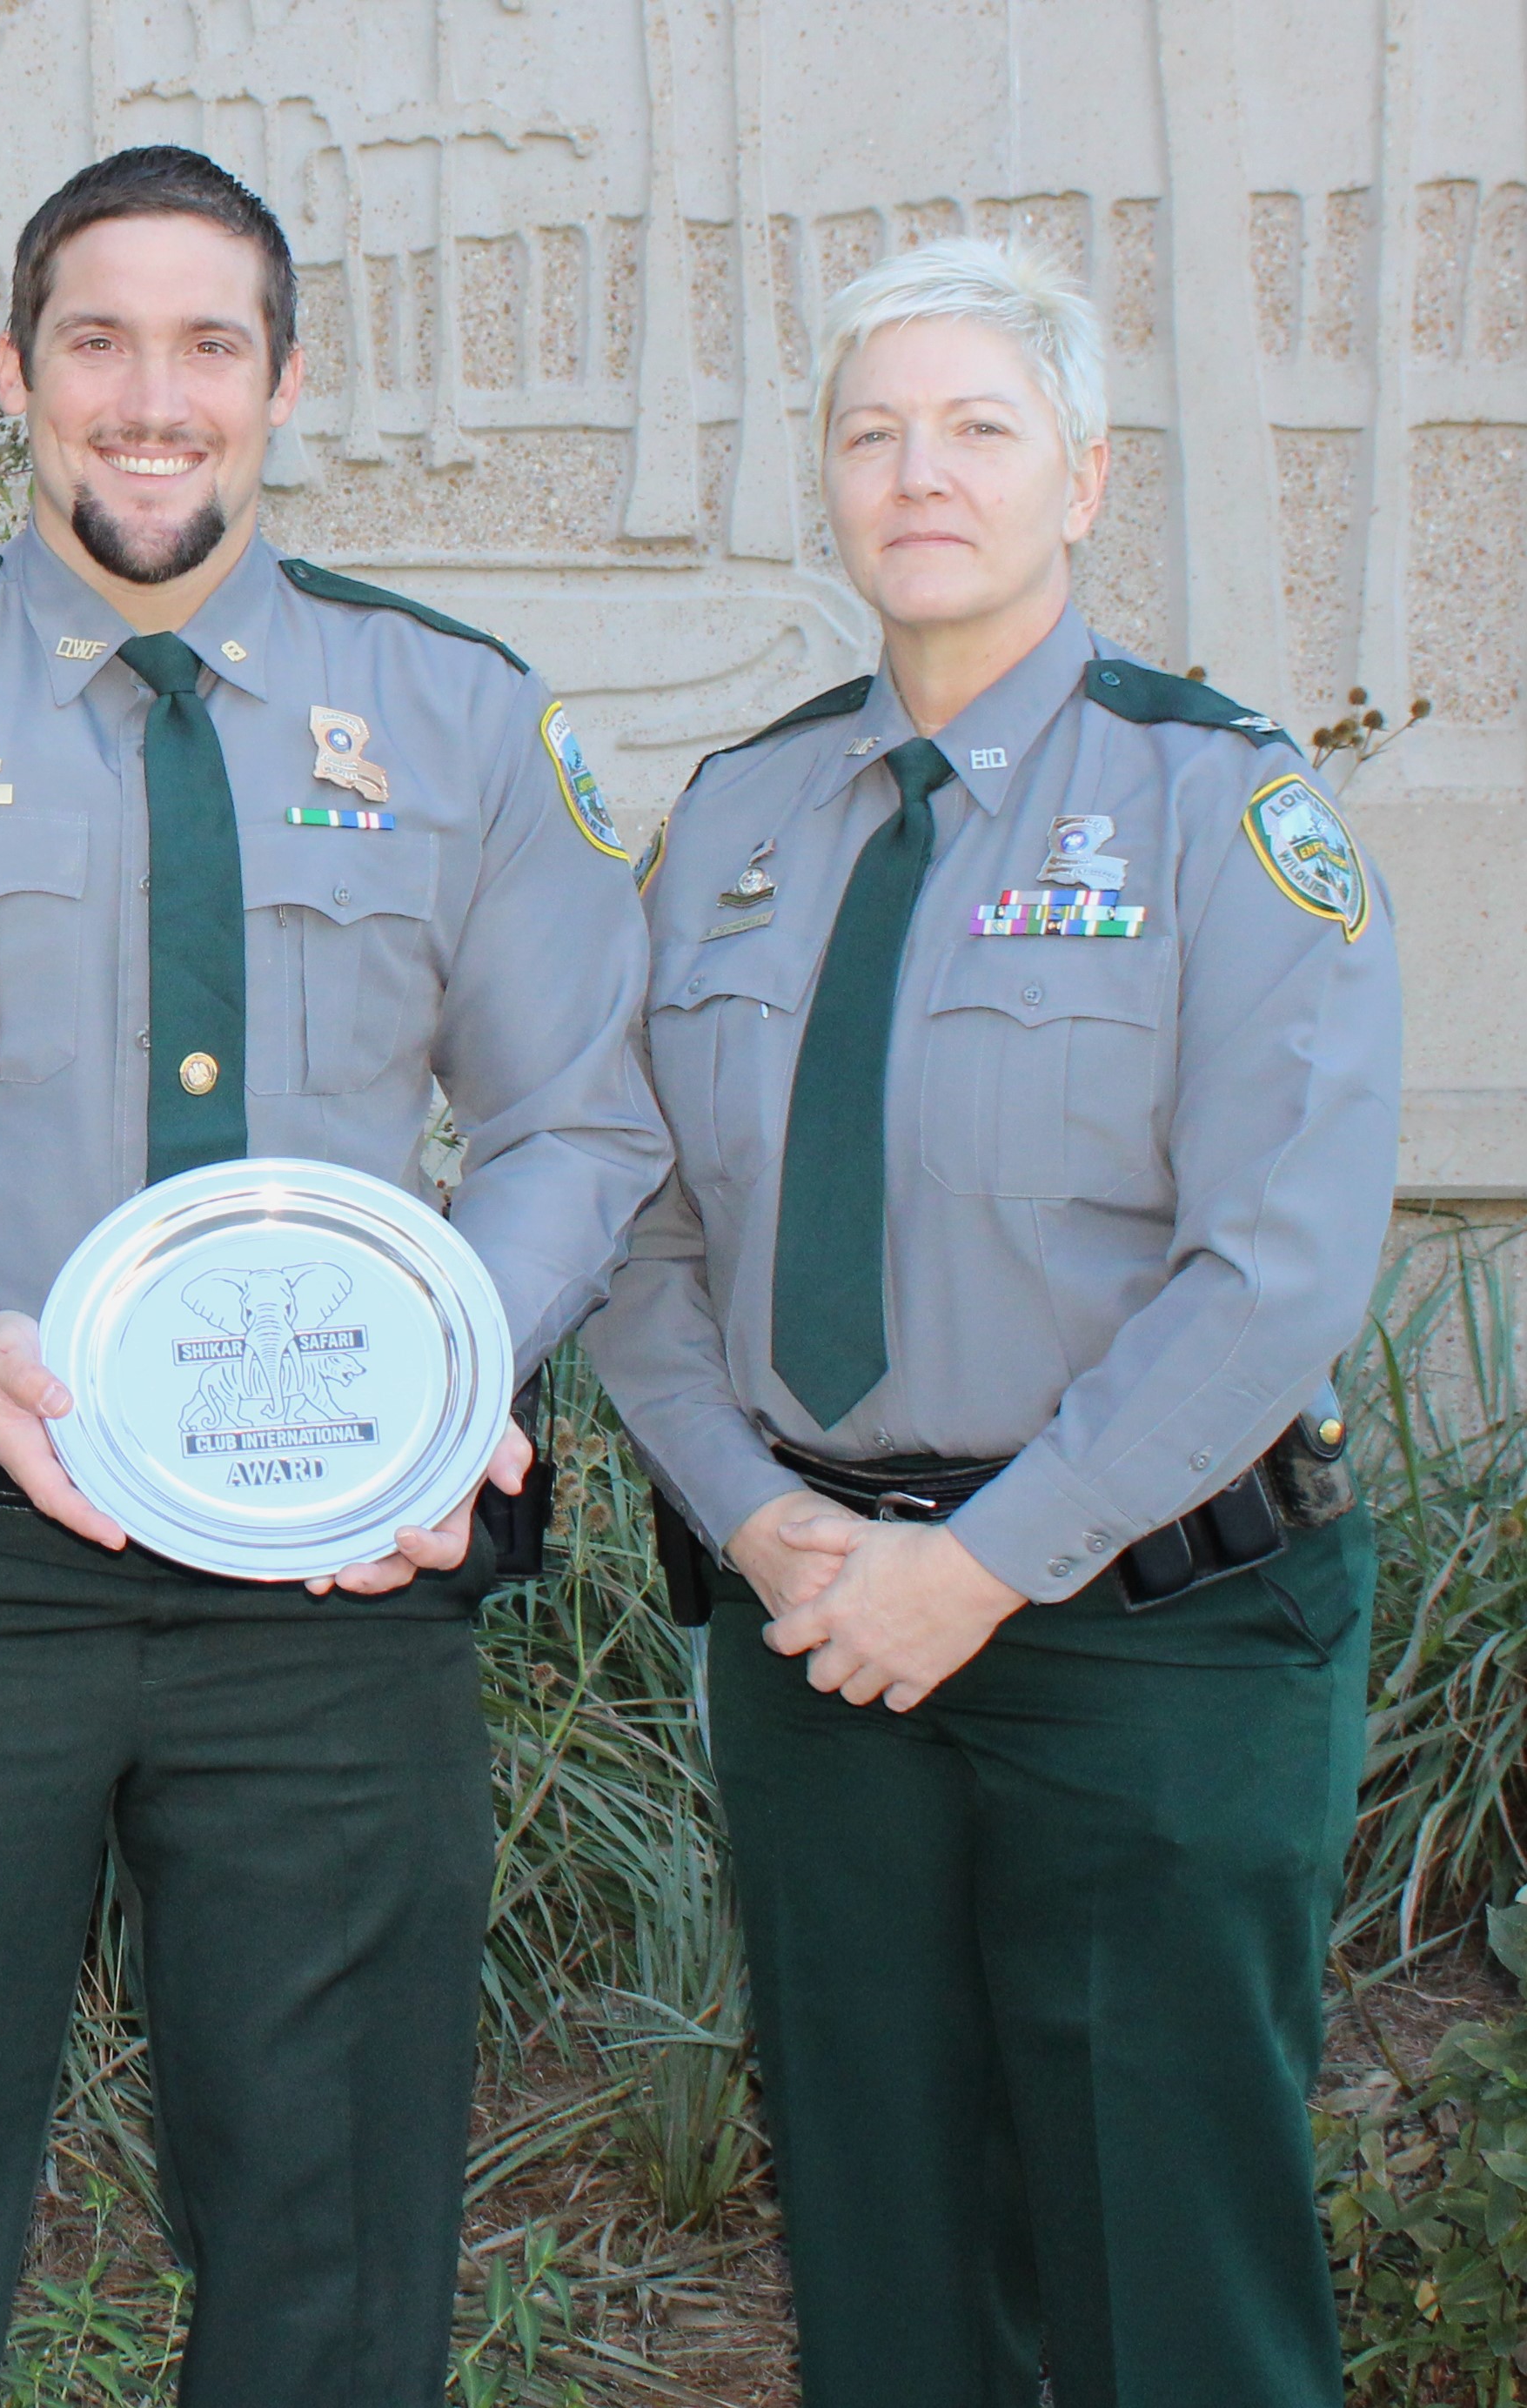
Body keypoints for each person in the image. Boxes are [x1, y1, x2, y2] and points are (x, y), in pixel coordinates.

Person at [0, 146, 669, 2405]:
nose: (151, 393)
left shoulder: (460, 718)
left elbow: (583, 1124)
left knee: (335, 2237)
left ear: (283, 383)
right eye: (100, 338)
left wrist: (460, 1354)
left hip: (342, 1589)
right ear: (19, 370)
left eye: (208, 343)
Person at [586, 237, 1400, 2408]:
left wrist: (983, 1562)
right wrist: (757, 1522)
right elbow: (641, 1235)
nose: (914, 473)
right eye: (870, 432)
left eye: (974, 428)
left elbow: (1275, 1266)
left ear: (1082, 477)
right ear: (825, 487)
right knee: (878, 2253)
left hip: (1149, 1643)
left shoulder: (1222, 807)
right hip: (819, 1625)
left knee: (1167, 2265)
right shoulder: (739, 818)